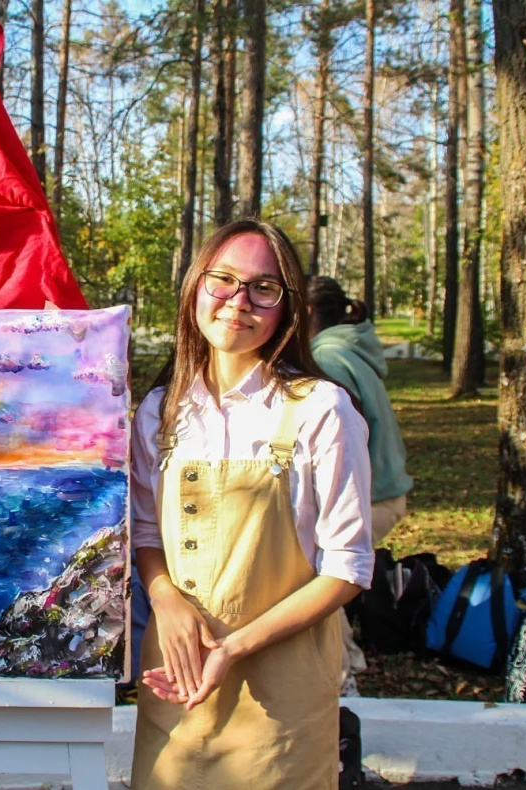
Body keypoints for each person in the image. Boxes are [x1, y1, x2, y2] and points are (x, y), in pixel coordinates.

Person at [130, 220, 374, 789]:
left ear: (287, 307)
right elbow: (146, 534)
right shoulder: (160, 411)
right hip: (176, 680)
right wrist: (165, 598)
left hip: (279, 696)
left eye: (264, 288)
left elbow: (348, 569)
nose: (239, 302)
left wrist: (234, 647)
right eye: (223, 280)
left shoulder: (322, 409)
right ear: (195, 285)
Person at [306, 276, 412, 544]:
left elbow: (341, 441)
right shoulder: (346, 347)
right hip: (382, 494)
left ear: (305, 312)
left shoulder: (326, 359)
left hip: (366, 501)